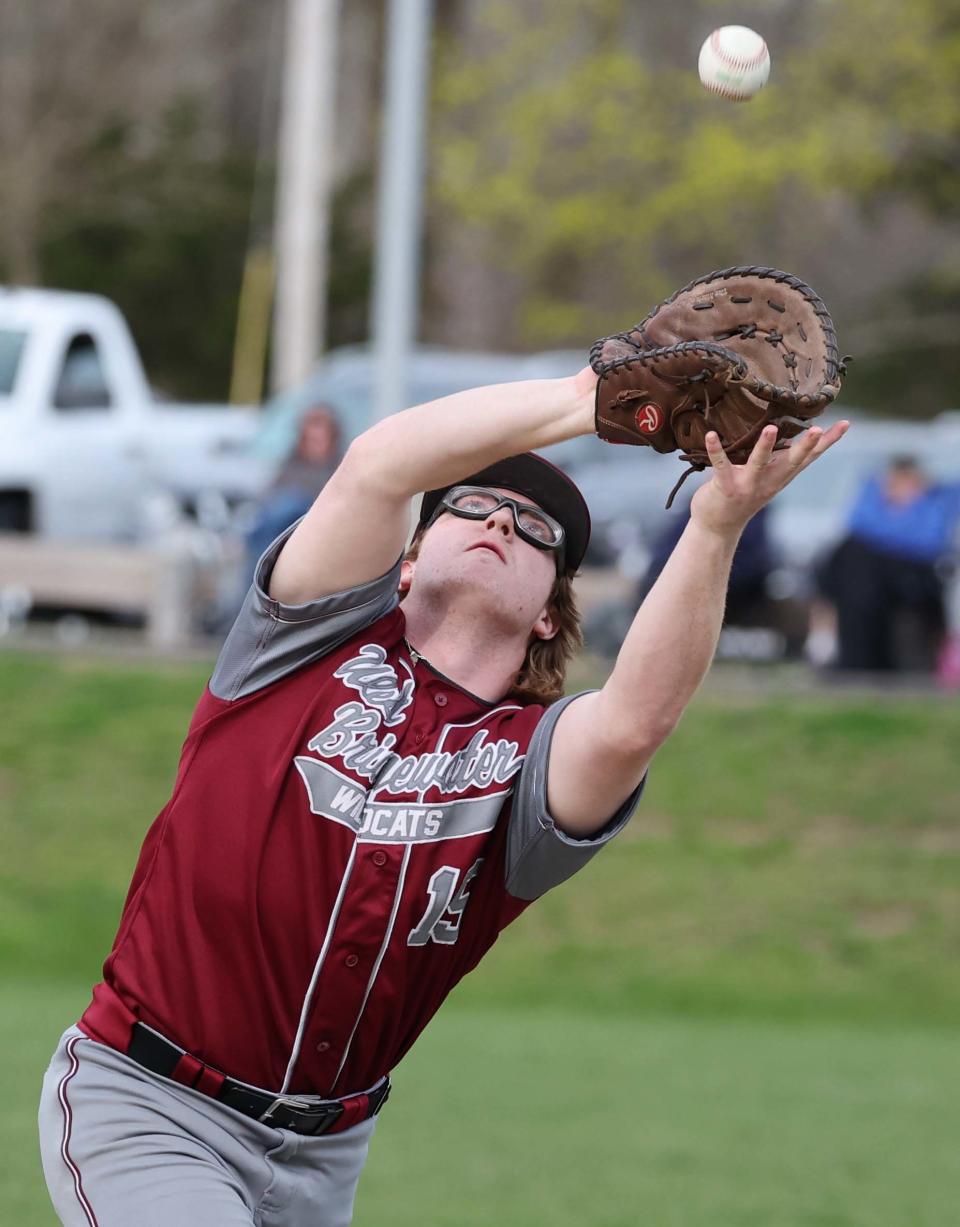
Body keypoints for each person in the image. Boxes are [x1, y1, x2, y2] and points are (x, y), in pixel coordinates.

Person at [38, 365, 848, 1227]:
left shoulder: (523, 759)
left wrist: (716, 526)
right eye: (467, 506)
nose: (501, 516)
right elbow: (378, 466)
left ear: (549, 612)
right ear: (407, 561)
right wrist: (590, 397)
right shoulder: (301, 645)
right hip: (155, 1105)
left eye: (536, 530)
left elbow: (631, 722)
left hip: (326, 1156)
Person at [816, 456, 960, 672]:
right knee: (855, 563)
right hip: (874, 573)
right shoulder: (874, 498)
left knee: (855, 561)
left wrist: (900, 516)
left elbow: (927, 542)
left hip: (914, 574)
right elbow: (857, 523)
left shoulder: (935, 502)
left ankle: (846, 653)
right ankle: (855, 655)